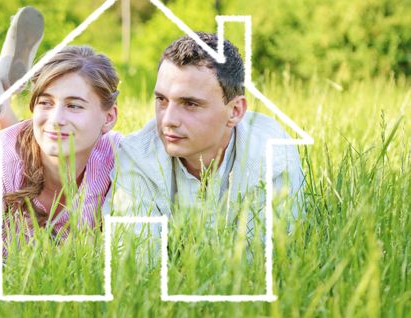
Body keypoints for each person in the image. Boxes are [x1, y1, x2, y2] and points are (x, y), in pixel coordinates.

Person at [0, 7, 121, 260]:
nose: (56, 119)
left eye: (74, 105)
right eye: (45, 103)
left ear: (109, 117)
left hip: (15, 158)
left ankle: (0, 107)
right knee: (3, 151)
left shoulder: (120, 160)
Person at [106, 32, 304, 233]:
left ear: (235, 111)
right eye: (161, 100)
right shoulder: (136, 156)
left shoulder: (273, 157)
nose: (168, 120)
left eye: (190, 104)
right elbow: (137, 258)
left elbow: (263, 258)